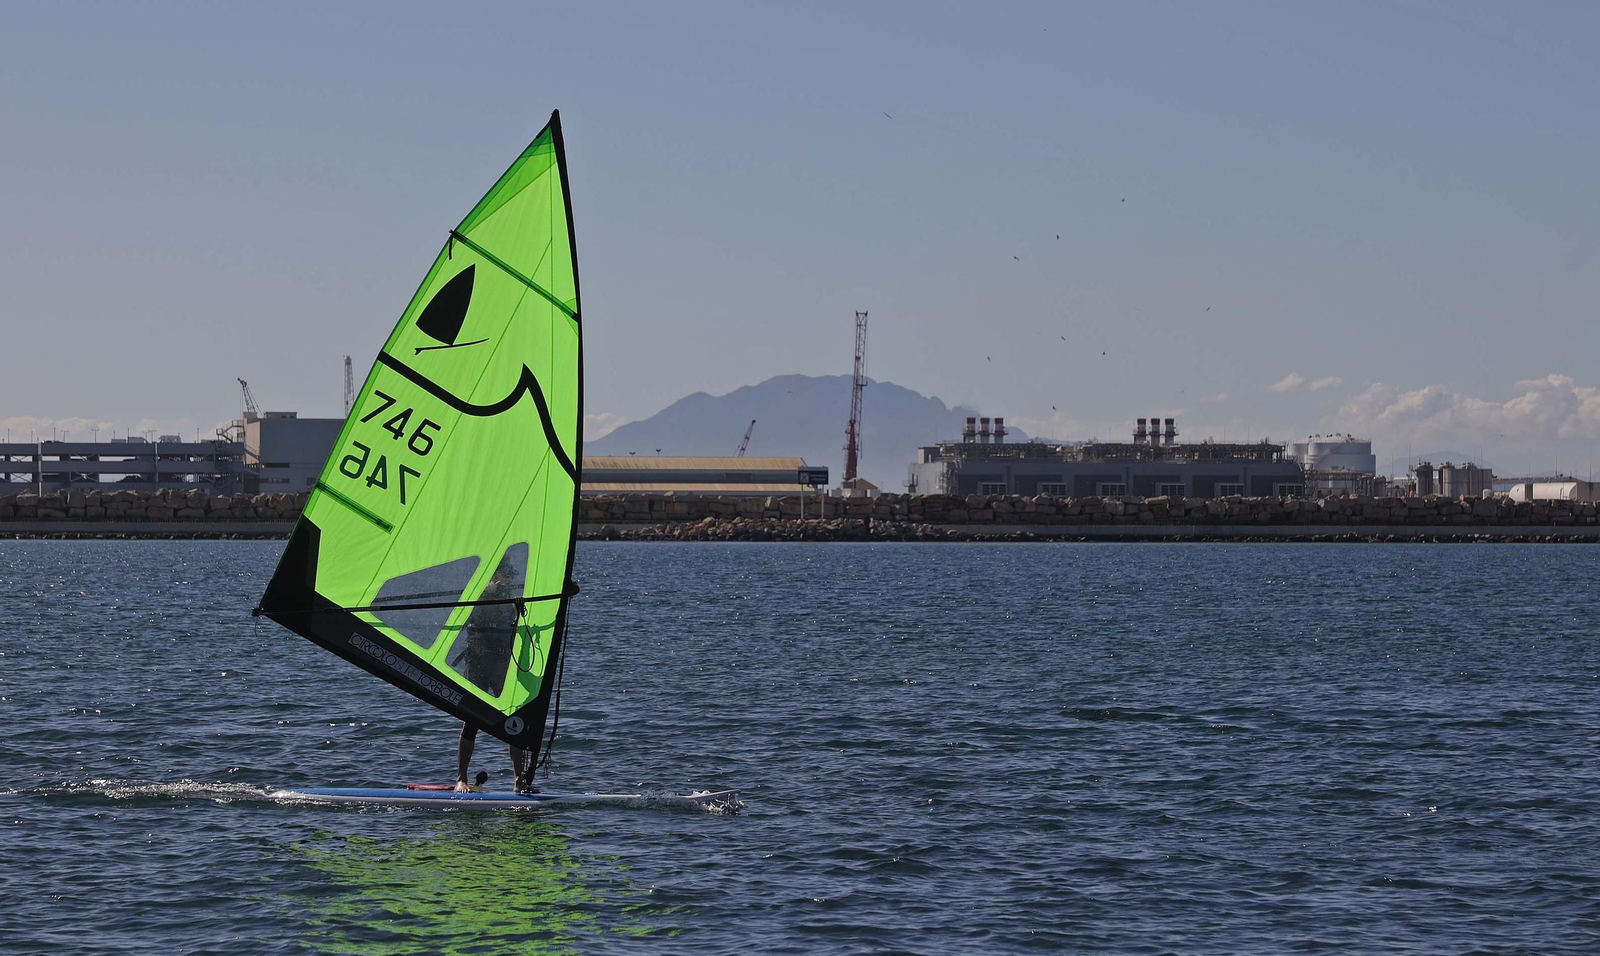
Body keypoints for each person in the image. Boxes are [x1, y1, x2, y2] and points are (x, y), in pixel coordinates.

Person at [452, 563, 535, 792]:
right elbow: (464, 614)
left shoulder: (511, 600)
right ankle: (461, 779)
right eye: (504, 576)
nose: (508, 580)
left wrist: (518, 608)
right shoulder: (477, 592)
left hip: (502, 664)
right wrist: (489, 590)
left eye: (510, 576)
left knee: (514, 719)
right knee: (471, 721)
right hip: (477, 660)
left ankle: (519, 781)